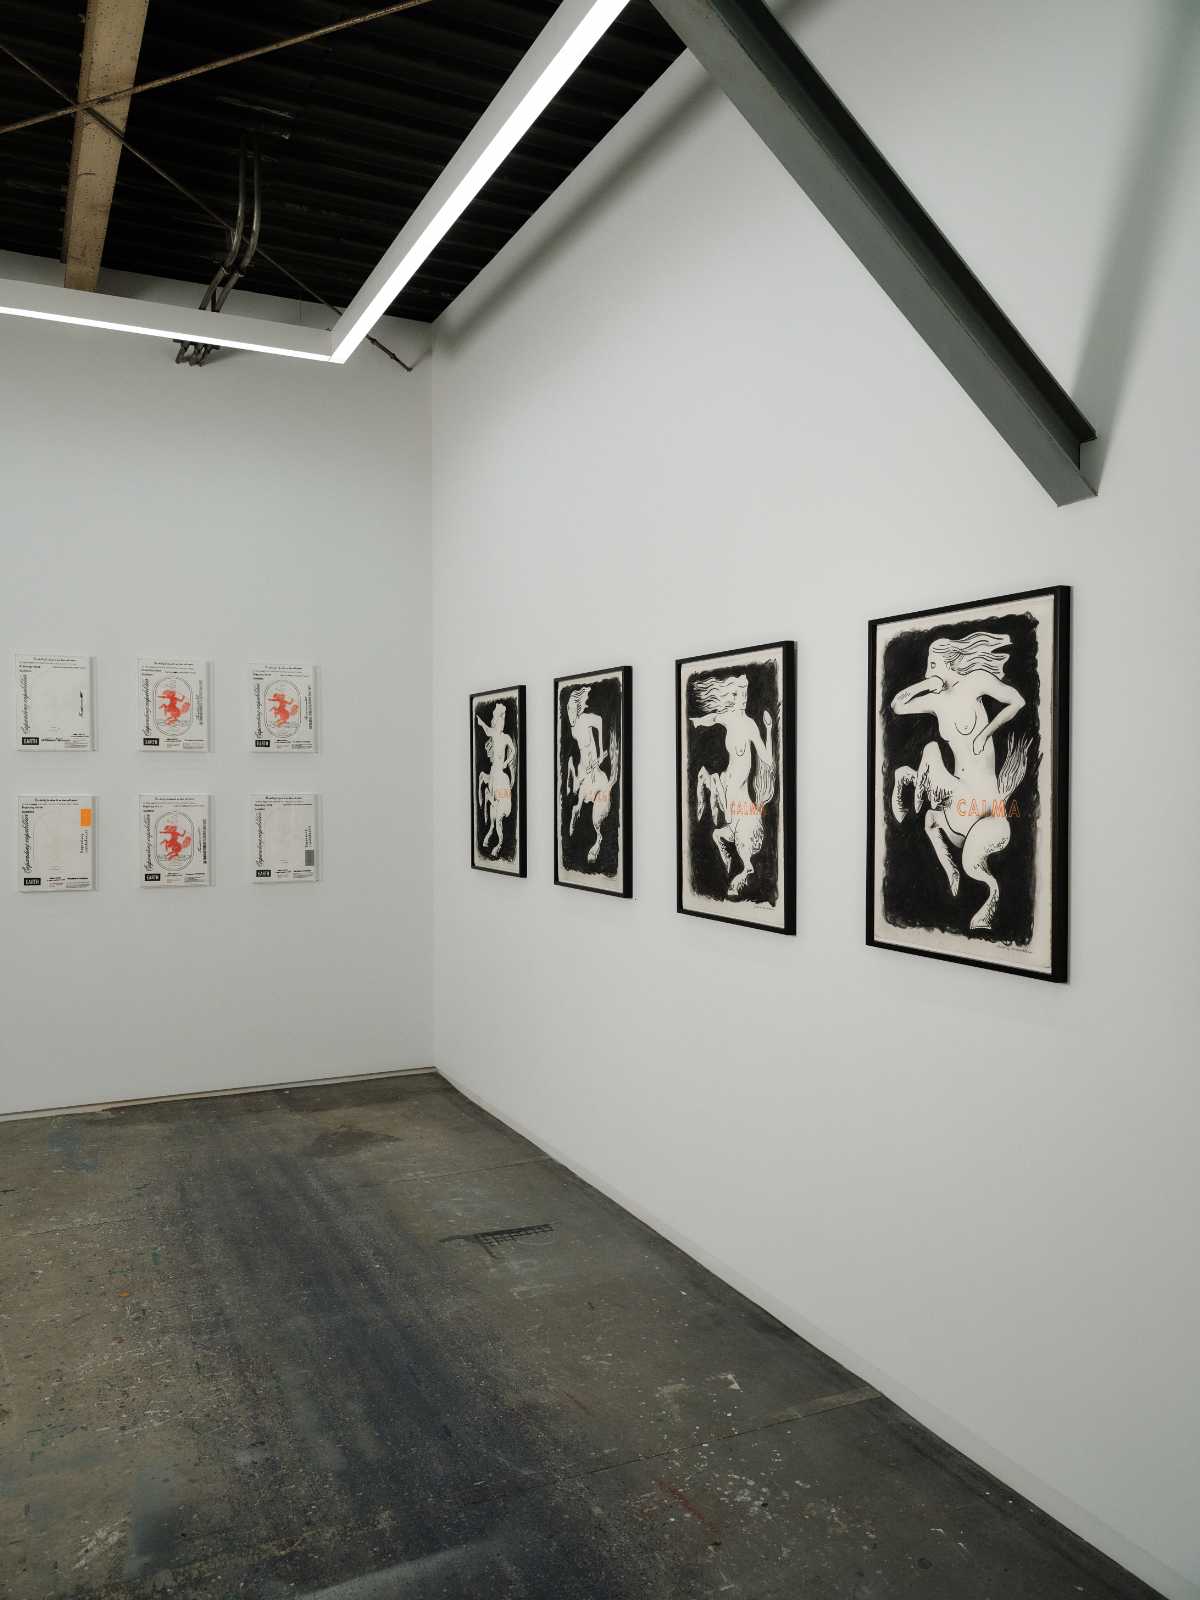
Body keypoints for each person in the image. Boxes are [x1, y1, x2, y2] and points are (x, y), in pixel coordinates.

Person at [889, 631, 1030, 930]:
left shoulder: (975, 681)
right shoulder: (936, 700)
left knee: (931, 751)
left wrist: (985, 733)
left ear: (949, 662)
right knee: (931, 820)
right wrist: (927, 683)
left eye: (933, 664)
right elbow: (898, 706)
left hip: (983, 806)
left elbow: (1016, 701)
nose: (928, 671)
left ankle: (910, 783)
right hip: (961, 806)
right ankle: (951, 870)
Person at [691, 673, 775, 898]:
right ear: (731, 696)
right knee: (717, 835)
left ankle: (746, 870)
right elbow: (713, 718)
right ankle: (729, 860)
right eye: (738, 694)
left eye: (745, 693)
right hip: (730, 788)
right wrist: (697, 721)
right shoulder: (729, 717)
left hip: (739, 804)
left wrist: (768, 730)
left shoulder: (750, 725)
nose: (743, 698)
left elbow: (767, 758)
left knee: (725, 818)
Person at [476, 702, 515, 858]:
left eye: (503, 720)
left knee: (497, 817)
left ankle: (498, 844)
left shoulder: (505, 737)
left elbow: (513, 750)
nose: (502, 723)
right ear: (496, 721)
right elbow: (486, 730)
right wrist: (480, 722)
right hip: (494, 772)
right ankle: (487, 797)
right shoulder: (493, 733)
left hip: (500, 774)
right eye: (500, 720)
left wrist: (507, 761)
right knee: (495, 816)